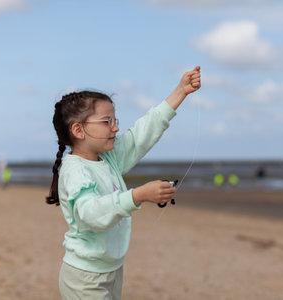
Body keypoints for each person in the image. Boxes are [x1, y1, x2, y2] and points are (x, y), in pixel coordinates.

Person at [46, 66, 201, 300]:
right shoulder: (76, 171)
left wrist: (180, 92)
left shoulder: (108, 158)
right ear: (78, 130)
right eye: (106, 122)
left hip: (111, 268)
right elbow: (90, 214)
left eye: (115, 120)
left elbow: (142, 134)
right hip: (85, 278)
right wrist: (136, 196)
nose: (115, 127)